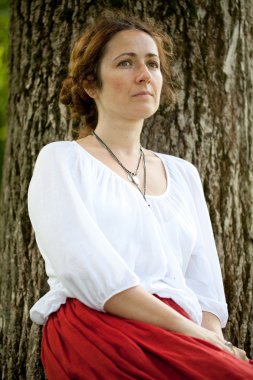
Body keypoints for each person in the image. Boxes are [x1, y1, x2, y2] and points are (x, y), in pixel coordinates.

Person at [27, 12, 253, 380]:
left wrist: (215, 346)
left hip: (184, 330)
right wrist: (198, 339)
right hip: (100, 326)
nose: (145, 75)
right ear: (90, 84)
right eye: (125, 62)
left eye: (152, 63)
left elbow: (206, 287)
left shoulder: (183, 174)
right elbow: (94, 276)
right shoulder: (62, 160)